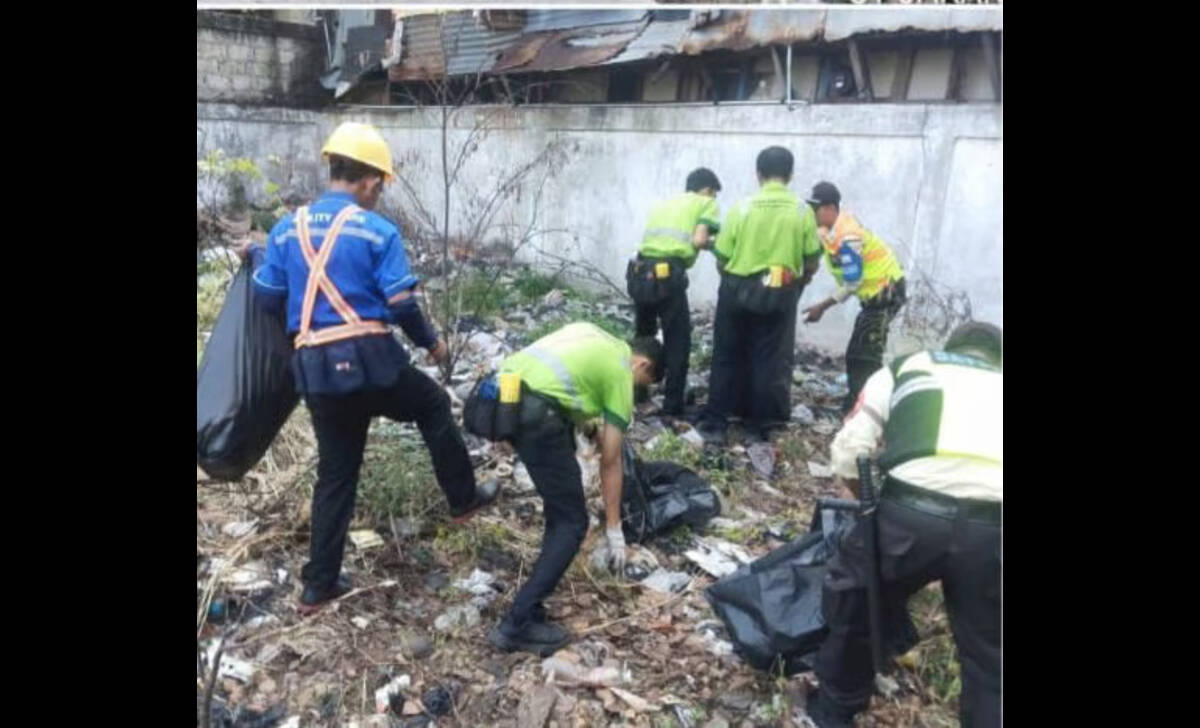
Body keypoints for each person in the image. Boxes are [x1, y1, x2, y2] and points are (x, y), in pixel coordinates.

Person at [243, 121, 499, 615]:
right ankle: (464, 500)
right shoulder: (376, 230)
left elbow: (268, 297)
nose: (378, 195)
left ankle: (319, 585)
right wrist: (432, 344)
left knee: (336, 473)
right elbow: (401, 303)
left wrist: (264, 265)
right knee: (431, 405)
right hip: (370, 363)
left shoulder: (286, 230)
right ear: (368, 181)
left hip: (315, 370)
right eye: (379, 186)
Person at [808, 322, 1002, 728]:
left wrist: (863, 504)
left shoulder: (908, 367)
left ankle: (834, 712)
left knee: (856, 603)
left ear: (950, 347)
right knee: (989, 650)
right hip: (993, 529)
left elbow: (850, 450)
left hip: (910, 515)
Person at [466, 322, 663, 656]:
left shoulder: (589, 331)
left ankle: (531, 608)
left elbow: (562, 384)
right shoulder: (621, 373)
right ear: (642, 364)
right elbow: (611, 460)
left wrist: (588, 425)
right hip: (536, 417)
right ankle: (517, 624)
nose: (635, 390)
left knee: (559, 512)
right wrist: (614, 528)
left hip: (501, 399)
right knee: (572, 522)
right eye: (641, 384)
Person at [698, 146, 822, 443]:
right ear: (790, 175)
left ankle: (716, 424)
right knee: (768, 359)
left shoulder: (741, 207)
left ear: (758, 174)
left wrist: (734, 282)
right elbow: (812, 259)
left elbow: (722, 255)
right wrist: (800, 281)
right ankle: (756, 427)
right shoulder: (802, 211)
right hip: (780, 290)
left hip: (736, 288)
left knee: (726, 355)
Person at [801, 182, 907, 413]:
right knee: (858, 354)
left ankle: (865, 410)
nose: (812, 213)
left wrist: (821, 307)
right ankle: (856, 406)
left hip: (885, 292)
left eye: (816, 209)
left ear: (830, 208)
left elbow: (852, 283)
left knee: (865, 356)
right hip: (876, 295)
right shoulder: (829, 229)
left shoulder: (848, 236)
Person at [628, 168, 722, 417]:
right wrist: (719, 246)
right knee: (678, 341)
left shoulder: (666, 203)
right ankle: (672, 407)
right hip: (668, 275)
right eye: (714, 194)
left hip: (639, 271)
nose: (714, 199)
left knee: (643, 337)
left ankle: (637, 396)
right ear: (708, 190)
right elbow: (699, 240)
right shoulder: (706, 204)